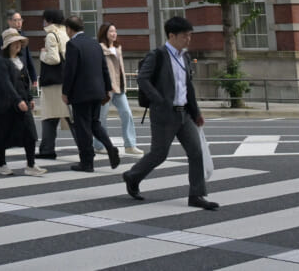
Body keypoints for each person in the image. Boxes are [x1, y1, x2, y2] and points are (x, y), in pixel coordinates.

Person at [123, 16, 219, 211]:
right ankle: (133, 176)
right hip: (164, 114)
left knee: (196, 152)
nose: (188, 39)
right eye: (185, 36)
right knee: (159, 154)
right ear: (172, 35)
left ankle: (196, 195)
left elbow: (187, 86)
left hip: (184, 114)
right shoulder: (157, 55)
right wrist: (158, 100)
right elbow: (143, 78)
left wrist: (196, 112)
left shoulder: (184, 56)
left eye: (190, 35)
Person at [61, 14, 119, 172]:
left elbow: (70, 71)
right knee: (95, 123)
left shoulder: (73, 45)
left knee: (83, 127)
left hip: (81, 92)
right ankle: (110, 147)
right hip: (97, 90)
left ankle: (87, 162)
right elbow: (104, 68)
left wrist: (65, 92)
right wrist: (107, 89)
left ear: (69, 29)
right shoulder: (95, 44)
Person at [0, 28, 45, 176]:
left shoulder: (20, 61)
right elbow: (6, 84)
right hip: (5, 104)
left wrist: (30, 98)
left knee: (30, 133)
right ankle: (2, 164)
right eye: (14, 42)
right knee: (2, 134)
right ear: (7, 45)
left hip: (21, 102)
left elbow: (25, 82)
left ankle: (31, 165)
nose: (17, 45)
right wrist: (18, 99)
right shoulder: (1, 62)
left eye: (19, 42)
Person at [97, 23, 142, 156]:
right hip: (106, 88)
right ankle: (99, 145)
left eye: (115, 31)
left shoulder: (118, 48)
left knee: (127, 113)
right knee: (101, 118)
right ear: (104, 33)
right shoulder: (100, 48)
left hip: (120, 87)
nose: (114, 34)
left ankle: (130, 145)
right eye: (111, 31)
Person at [35, 8, 70, 159]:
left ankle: (47, 150)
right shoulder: (65, 33)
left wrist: (42, 54)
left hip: (52, 83)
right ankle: (85, 147)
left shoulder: (51, 34)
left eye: (44, 19)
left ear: (49, 20)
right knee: (68, 116)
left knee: (49, 116)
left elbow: (53, 59)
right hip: (65, 79)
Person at [0, 8, 37, 90]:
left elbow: (28, 57)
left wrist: (34, 77)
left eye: (20, 20)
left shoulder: (23, 35)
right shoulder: (5, 36)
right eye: (16, 20)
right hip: (11, 75)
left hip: (23, 74)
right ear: (9, 21)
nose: (19, 22)